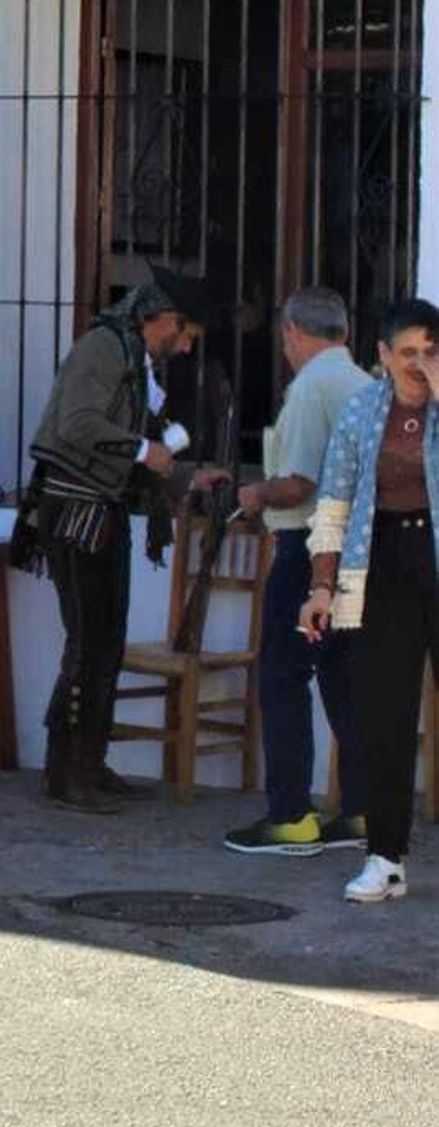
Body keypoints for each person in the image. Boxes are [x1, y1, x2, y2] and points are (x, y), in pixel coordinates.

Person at [12, 266, 225, 815]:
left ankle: (89, 761)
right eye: (185, 336)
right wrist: (140, 452)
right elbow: (77, 425)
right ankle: (66, 772)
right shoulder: (103, 349)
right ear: (166, 319)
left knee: (105, 640)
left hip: (102, 513)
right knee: (88, 640)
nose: (183, 349)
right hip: (75, 513)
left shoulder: (136, 363)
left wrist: (184, 477)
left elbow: (143, 448)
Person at [222, 287, 370, 857]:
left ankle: (291, 817)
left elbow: (300, 481)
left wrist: (255, 493)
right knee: (341, 679)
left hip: (308, 548)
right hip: (356, 552)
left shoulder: (311, 387)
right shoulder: (362, 384)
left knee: (283, 676)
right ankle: (359, 810)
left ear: (292, 332)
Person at [301, 296, 439, 904]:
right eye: (406, 352)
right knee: (385, 717)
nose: (418, 364)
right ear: (381, 356)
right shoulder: (361, 412)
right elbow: (332, 506)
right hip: (381, 562)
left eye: (429, 353)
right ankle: (385, 857)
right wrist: (321, 587)